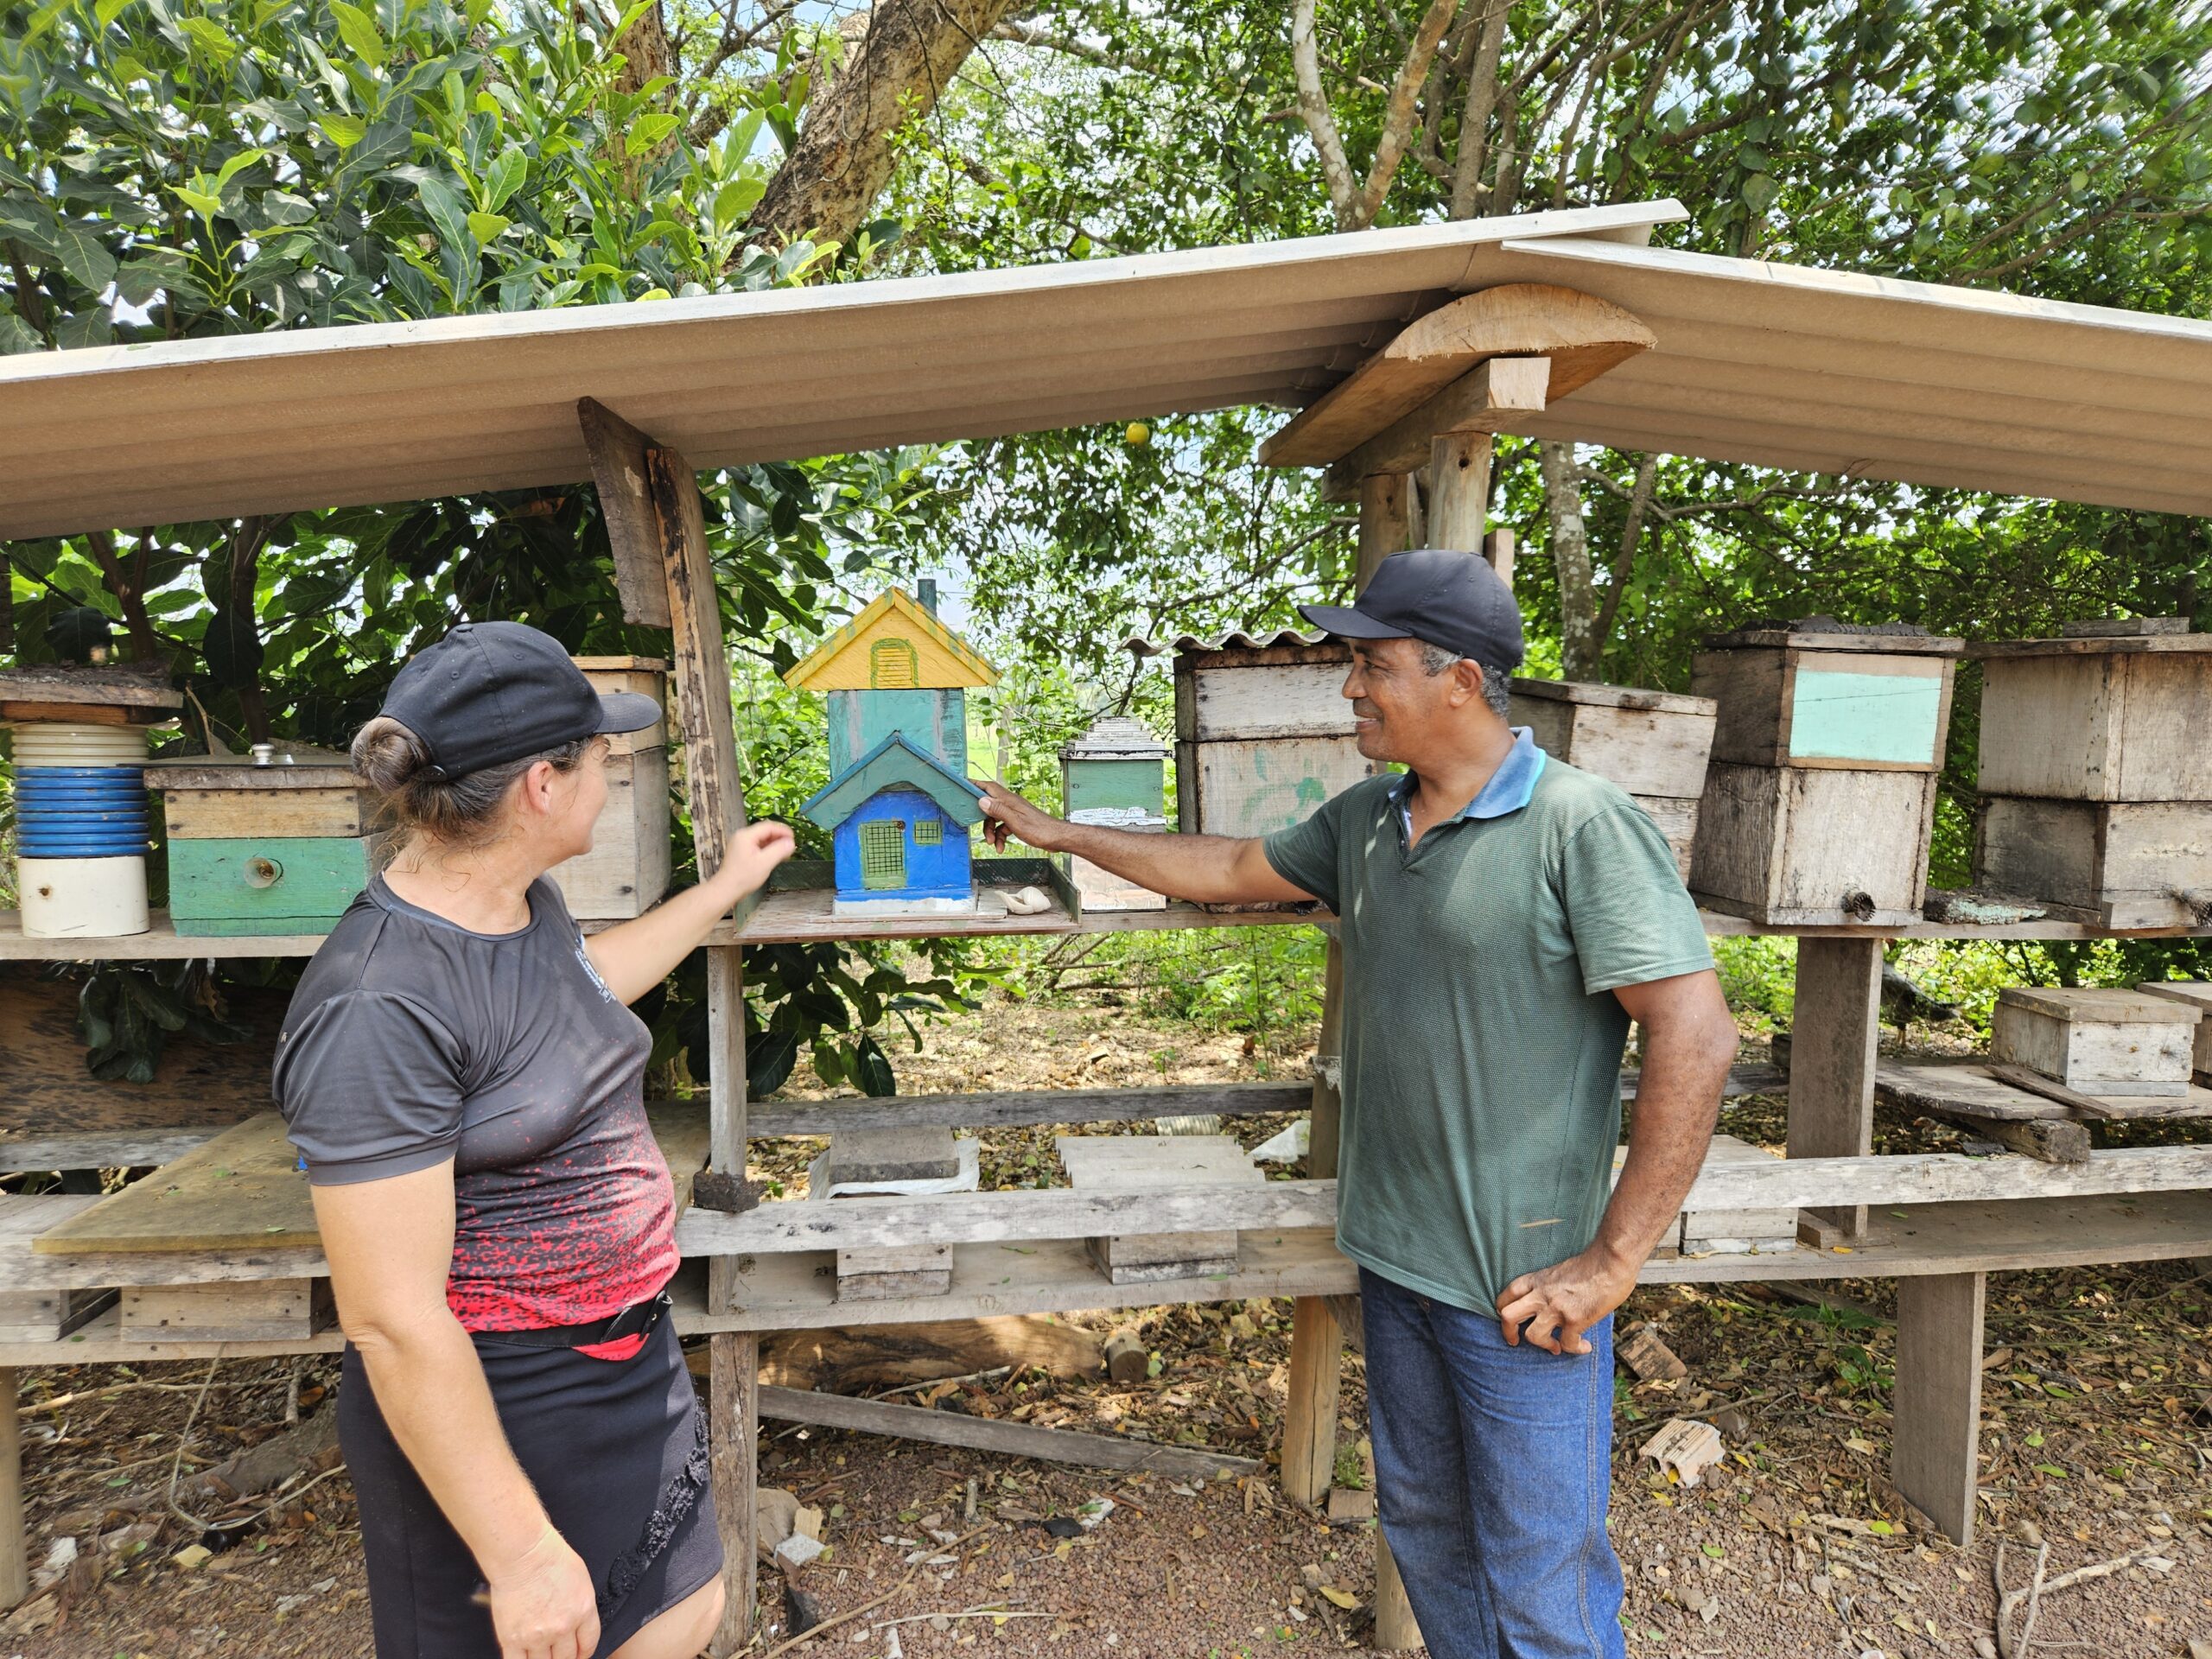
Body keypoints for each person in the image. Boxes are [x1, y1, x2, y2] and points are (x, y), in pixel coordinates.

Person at [976, 549, 1737, 1659]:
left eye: (1371, 665)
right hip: (1395, 1254)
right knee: (1424, 1529)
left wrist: (1614, 1259)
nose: (1349, 689)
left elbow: (1697, 1033)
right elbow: (1232, 861)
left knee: (1541, 1574)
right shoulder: (1372, 819)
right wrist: (1066, 833)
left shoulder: (1581, 823)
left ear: (1459, 681)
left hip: (1519, 1280)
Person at [273, 622, 793, 1659]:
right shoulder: (378, 1004)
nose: (610, 780)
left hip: (621, 1359)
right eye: (602, 761)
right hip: (499, 1398)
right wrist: (517, 1554)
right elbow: (391, 1320)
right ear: (542, 789)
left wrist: (723, 888)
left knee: (680, 1616)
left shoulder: (521, 908)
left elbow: (582, 995)